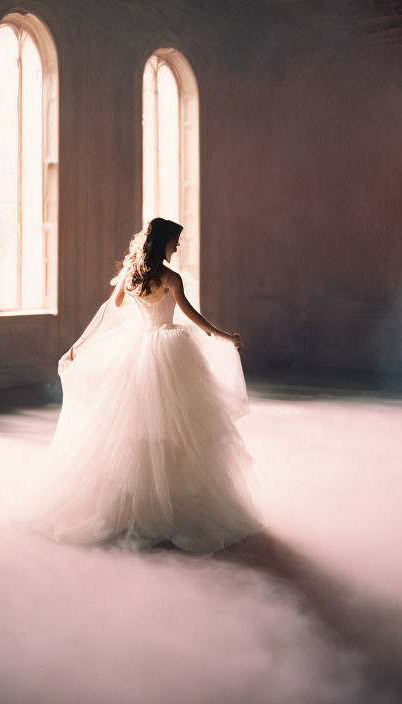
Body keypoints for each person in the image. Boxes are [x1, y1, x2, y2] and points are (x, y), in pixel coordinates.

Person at [18, 218, 263, 554]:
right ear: (163, 241)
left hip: (138, 348)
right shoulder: (171, 278)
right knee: (173, 430)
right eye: (176, 241)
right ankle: (163, 507)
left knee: (136, 429)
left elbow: (112, 307)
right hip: (168, 352)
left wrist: (84, 343)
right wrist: (225, 336)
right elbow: (192, 315)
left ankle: (136, 504)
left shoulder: (131, 273)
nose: (178, 246)